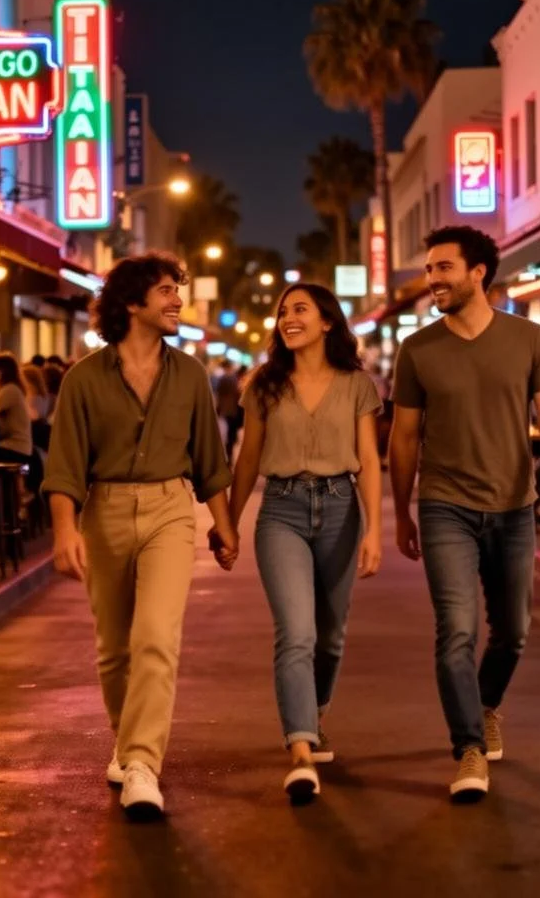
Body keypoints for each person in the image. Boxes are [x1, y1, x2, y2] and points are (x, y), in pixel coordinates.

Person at [43, 252, 237, 820]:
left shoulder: (192, 375)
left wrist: (224, 525)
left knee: (156, 635)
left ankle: (142, 764)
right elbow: (65, 465)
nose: (178, 299)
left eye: (177, 288)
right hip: (102, 509)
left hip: (170, 508)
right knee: (115, 646)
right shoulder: (83, 379)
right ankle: (127, 744)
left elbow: (210, 459)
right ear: (132, 303)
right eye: (165, 290)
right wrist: (63, 532)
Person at [389, 225, 540, 802]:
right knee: (457, 630)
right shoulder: (417, 349)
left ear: (479, 273)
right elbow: (403, 437)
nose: (432, 280)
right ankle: (469, 749)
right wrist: (402, 511)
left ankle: (487, 704)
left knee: (514, 632)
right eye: (429, 269)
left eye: (443, 268)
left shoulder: (527, 338)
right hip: (446, 503)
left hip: (515, 506)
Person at [229, 283, 382, 804]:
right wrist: (228, 522)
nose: (287, 318)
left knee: (331, 635)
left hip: (341, 507)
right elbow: (247, 459)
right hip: (281, 510)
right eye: (282, 312)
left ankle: (313, 714)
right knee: (296, 632)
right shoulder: (264, 386)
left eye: (300, 310)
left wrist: (377, 530)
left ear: (327, 322)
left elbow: (369, 458)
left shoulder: (357, 385)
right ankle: (299, 748)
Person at [214, 358, 242, 461]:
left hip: (227, 408)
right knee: (231, 430)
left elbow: (220, 394)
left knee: (229, 430)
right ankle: (230, 449)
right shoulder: (235, 378)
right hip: (234, 408)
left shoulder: (224, 378)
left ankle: (229, 451)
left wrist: (218, 407)